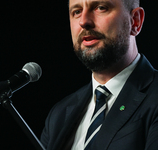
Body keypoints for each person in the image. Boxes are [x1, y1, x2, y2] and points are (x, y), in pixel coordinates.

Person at [40, 0, 158, 149]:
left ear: (135, 21)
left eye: (101, 8)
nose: (84, 21)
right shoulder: (59, 114)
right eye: (76, 11)